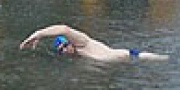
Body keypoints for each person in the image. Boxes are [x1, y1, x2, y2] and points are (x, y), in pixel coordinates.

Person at [19, 24, 169, 62]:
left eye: (65, 46)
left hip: (133, 57)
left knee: (164, 60)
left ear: (70, 42)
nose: (64, 50)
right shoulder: (78, 54)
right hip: (124, 63)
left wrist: (38, 34)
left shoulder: (82, 43)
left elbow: (64, 29)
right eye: (60, 50)